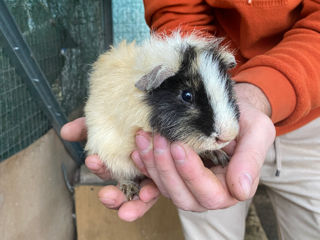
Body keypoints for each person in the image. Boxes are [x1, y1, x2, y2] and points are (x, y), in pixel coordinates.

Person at [61, 1, 320, 239]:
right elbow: (177, 10)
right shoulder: (143, 96)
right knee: (207, 221)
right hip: (205, 143)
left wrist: (256, 95)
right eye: (186, 96)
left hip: (310, 117)